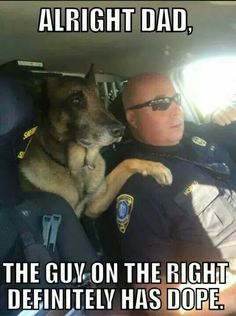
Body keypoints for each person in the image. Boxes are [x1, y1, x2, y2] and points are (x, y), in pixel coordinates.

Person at [102, 73, 236, 315]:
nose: (177, 111)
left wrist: (223, 115)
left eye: (177, 99)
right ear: (132, 118)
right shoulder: (141, 188)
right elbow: (159, 301)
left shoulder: (199, 140)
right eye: (161, 104)